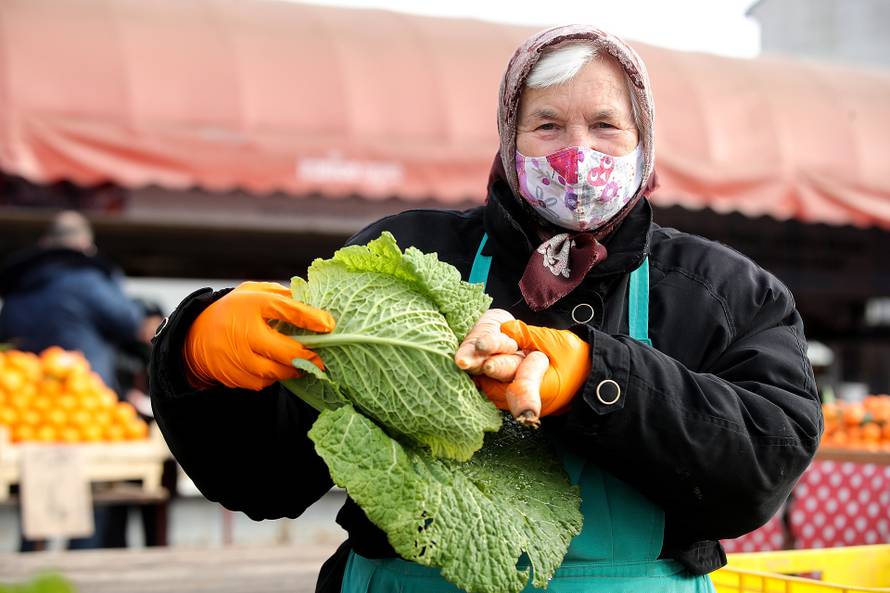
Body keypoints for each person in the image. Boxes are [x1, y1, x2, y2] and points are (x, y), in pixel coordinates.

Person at [149, 25, 822, 592]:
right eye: (547, 125)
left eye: (605, 126)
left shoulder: (722, 290)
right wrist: (192, 356)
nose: (577, 153)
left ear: (644, 141)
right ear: (508, 136)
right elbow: (263, 478)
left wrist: (595, 382)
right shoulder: (408, 256)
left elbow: (765, 463)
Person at [0, 210, 150, 551]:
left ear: (44, 243)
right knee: (90, 508)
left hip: (27, 415)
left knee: (36, 504)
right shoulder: (87, 279)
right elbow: (130, 321)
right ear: (86, 245)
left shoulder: (18, 288)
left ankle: (32, 566)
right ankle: (80, 569)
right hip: (84, 411)